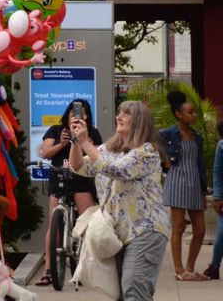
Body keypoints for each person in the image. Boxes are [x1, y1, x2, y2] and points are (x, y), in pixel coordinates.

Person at [69, 100, 170, 301]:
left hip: (145, 231)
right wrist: (76, 141)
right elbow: (79, 167)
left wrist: (86, 142)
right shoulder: (109, 149)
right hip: (118, 234)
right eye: (118, 113)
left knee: (134, 291)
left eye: (125, 114)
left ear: (139, 121)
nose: (119, 117)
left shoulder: (147, 152)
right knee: (122, 295)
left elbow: (116, 170)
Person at [36, 98, 101, 287]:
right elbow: (46, 153)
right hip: (60, 176)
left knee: (88, 221)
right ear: (67, 116)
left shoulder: (92, 132)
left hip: (81, 178)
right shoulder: (57, 130)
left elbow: (98, 156)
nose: (76, 118)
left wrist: (85, 141)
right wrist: (63, 144)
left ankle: (87, 268)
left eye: (81, 114)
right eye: (73, 115)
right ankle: (48, 270)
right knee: (53, 223)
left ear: (87, 117)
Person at [159, 89, 209, 281]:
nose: (194, 115)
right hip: (177, 181)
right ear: (179, 114)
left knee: (200, 229)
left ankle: (189, 267)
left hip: (195, 183)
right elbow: (152, 141)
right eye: (190, 112)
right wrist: (164, 162)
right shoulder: (170, 133)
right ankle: (179, 270)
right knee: (178, 226)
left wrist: (204, 191)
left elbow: (200, 165)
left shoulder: (197, 137)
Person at [205, 120, 223, 280]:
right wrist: (217, 196)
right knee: (222, 230)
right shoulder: (221, 145)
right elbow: (217, 171)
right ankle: (215, 266)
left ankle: (214, 266)